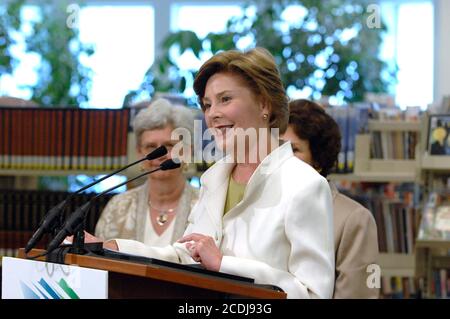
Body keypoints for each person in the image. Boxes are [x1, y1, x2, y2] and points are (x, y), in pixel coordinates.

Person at [91, 48, 335, 298]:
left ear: (264, 103)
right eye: (207, 105)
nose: (212, 114)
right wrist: (110, 248)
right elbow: (181, 256)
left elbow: (313, 293)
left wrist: (223, 265)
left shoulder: (304, 185)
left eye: (225, 99)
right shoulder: (214, 180)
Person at [281, 98, 379, 298]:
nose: (282, 158)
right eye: (278, 148)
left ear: (318, 160)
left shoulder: (354, 219)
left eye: (294, 150)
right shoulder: (267, 206)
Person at [94, 98, 199, 247]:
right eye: (151, 147)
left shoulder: (205, 206)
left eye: (169, 146)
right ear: (139, 152)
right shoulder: (118, 207)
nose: (159, 155)